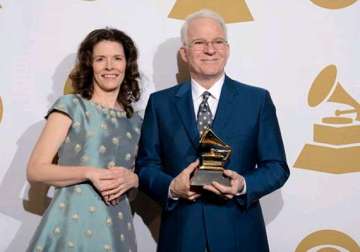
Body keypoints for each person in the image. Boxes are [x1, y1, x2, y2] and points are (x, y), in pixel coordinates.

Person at [136, 9, 290, 252]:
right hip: (181, 237)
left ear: (227, 49)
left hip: (241, 237)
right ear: (184, 53)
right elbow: (145, 168)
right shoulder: (160, 104)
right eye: (199, 43)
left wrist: (242, 184)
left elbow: (277, 167)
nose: (210, 50)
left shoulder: (257, 100)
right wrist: (172, 187)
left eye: (218, 42)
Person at [26, 28, 142, 252]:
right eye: (101, 59)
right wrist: (89, 172)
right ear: (90, 65)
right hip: (70, 226)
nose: (110, 66)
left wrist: (133, 180)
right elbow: (36, 170)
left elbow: (135, 182)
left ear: (127, 65)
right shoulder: (71, 106)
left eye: (117, 58)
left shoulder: (136, 121)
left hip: (117, 228)